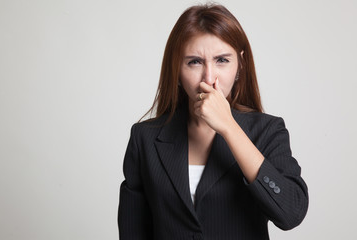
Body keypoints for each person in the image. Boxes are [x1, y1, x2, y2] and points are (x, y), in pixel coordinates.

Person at [118, 3, 308, 240]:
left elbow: (291, 213)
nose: (209, 77)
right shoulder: (144, 138)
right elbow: (132, 231)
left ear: (240, 64)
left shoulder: (268, 131)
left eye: (222, 60)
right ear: (176, 68)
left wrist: (229, 127)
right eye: (194, 62)